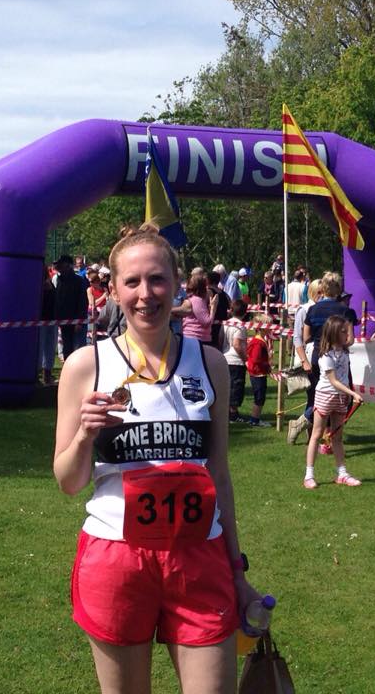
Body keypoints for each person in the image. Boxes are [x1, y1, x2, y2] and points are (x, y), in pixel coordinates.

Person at [53, 224, 261, 694]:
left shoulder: (209, 364)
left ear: (178, 282)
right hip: (116, 557)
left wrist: (236, 572)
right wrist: (85, 435)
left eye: (157, 280)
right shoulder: (86, 365)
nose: (146, 294)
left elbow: (220, 476)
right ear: (113, 290)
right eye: (132, 282)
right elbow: (68, 481)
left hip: (199, 555)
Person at [302, 315, 363, 488]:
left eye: (347, 331)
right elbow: (334, 380)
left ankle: (342, 474)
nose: (347, 335)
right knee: (316, 434)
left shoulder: (343, 351)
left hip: (340, 398)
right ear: (334, 333)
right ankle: (309, 475)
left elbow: (342, 378)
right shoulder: (325, 355)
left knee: (337, 437)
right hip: (325, 396)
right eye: (343, 332)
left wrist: (348, 394)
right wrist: (352, 393)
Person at [287, 279, 322, 444]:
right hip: (309, 357)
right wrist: (304, 361)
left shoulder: (323, 309)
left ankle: (310, 435)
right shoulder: (304, 310)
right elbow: (297, 338)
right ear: (315, 292)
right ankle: (299, 426)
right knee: (315, 397)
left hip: (322, 357)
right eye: (321, 292)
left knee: (316, 397)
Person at [55, 254, 89, 360]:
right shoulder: (59, 280)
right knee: (67, 349)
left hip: (77, 321)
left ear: (69, 266)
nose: (59, 267)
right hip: (64, 321)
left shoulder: (79, 281)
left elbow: (83, 301)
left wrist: (79, 320)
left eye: (62, 264)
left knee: (79, 350)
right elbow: (59, 300)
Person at [222, 299, 248, 423]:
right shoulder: (240, 326)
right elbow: (237, 344)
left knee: (227, 386)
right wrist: (245, 358)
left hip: (225, 357)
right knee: (236, 387)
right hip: (236, 360)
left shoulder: (225, 323)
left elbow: (220, 339)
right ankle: (233, 413)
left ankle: (228, 411)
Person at [245, 314, 272, 428]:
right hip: (258, 373)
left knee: (260, 396)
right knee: (259, 397)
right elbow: (256, 359)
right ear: (262, 327)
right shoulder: (258, 343)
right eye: (268, 325)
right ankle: (254, 419)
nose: (270, 328)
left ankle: (254, 418)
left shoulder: (259, 341)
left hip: (257, 372)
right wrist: (267, 366)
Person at [179, 271, 218, 343]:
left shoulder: (195, 299)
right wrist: (213, 307)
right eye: (205, 285)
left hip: (195, 338)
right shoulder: (197, 301)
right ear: (201, 287)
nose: (207, 288)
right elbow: (207, 323)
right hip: (196, 339)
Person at [39, 263, 57, 385]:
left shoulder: (50, 283)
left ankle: (47, 375)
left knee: (50, 348)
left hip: (53, 320)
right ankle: (39, 375)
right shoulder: (39, 286)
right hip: (42, 321)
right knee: (41, 349)